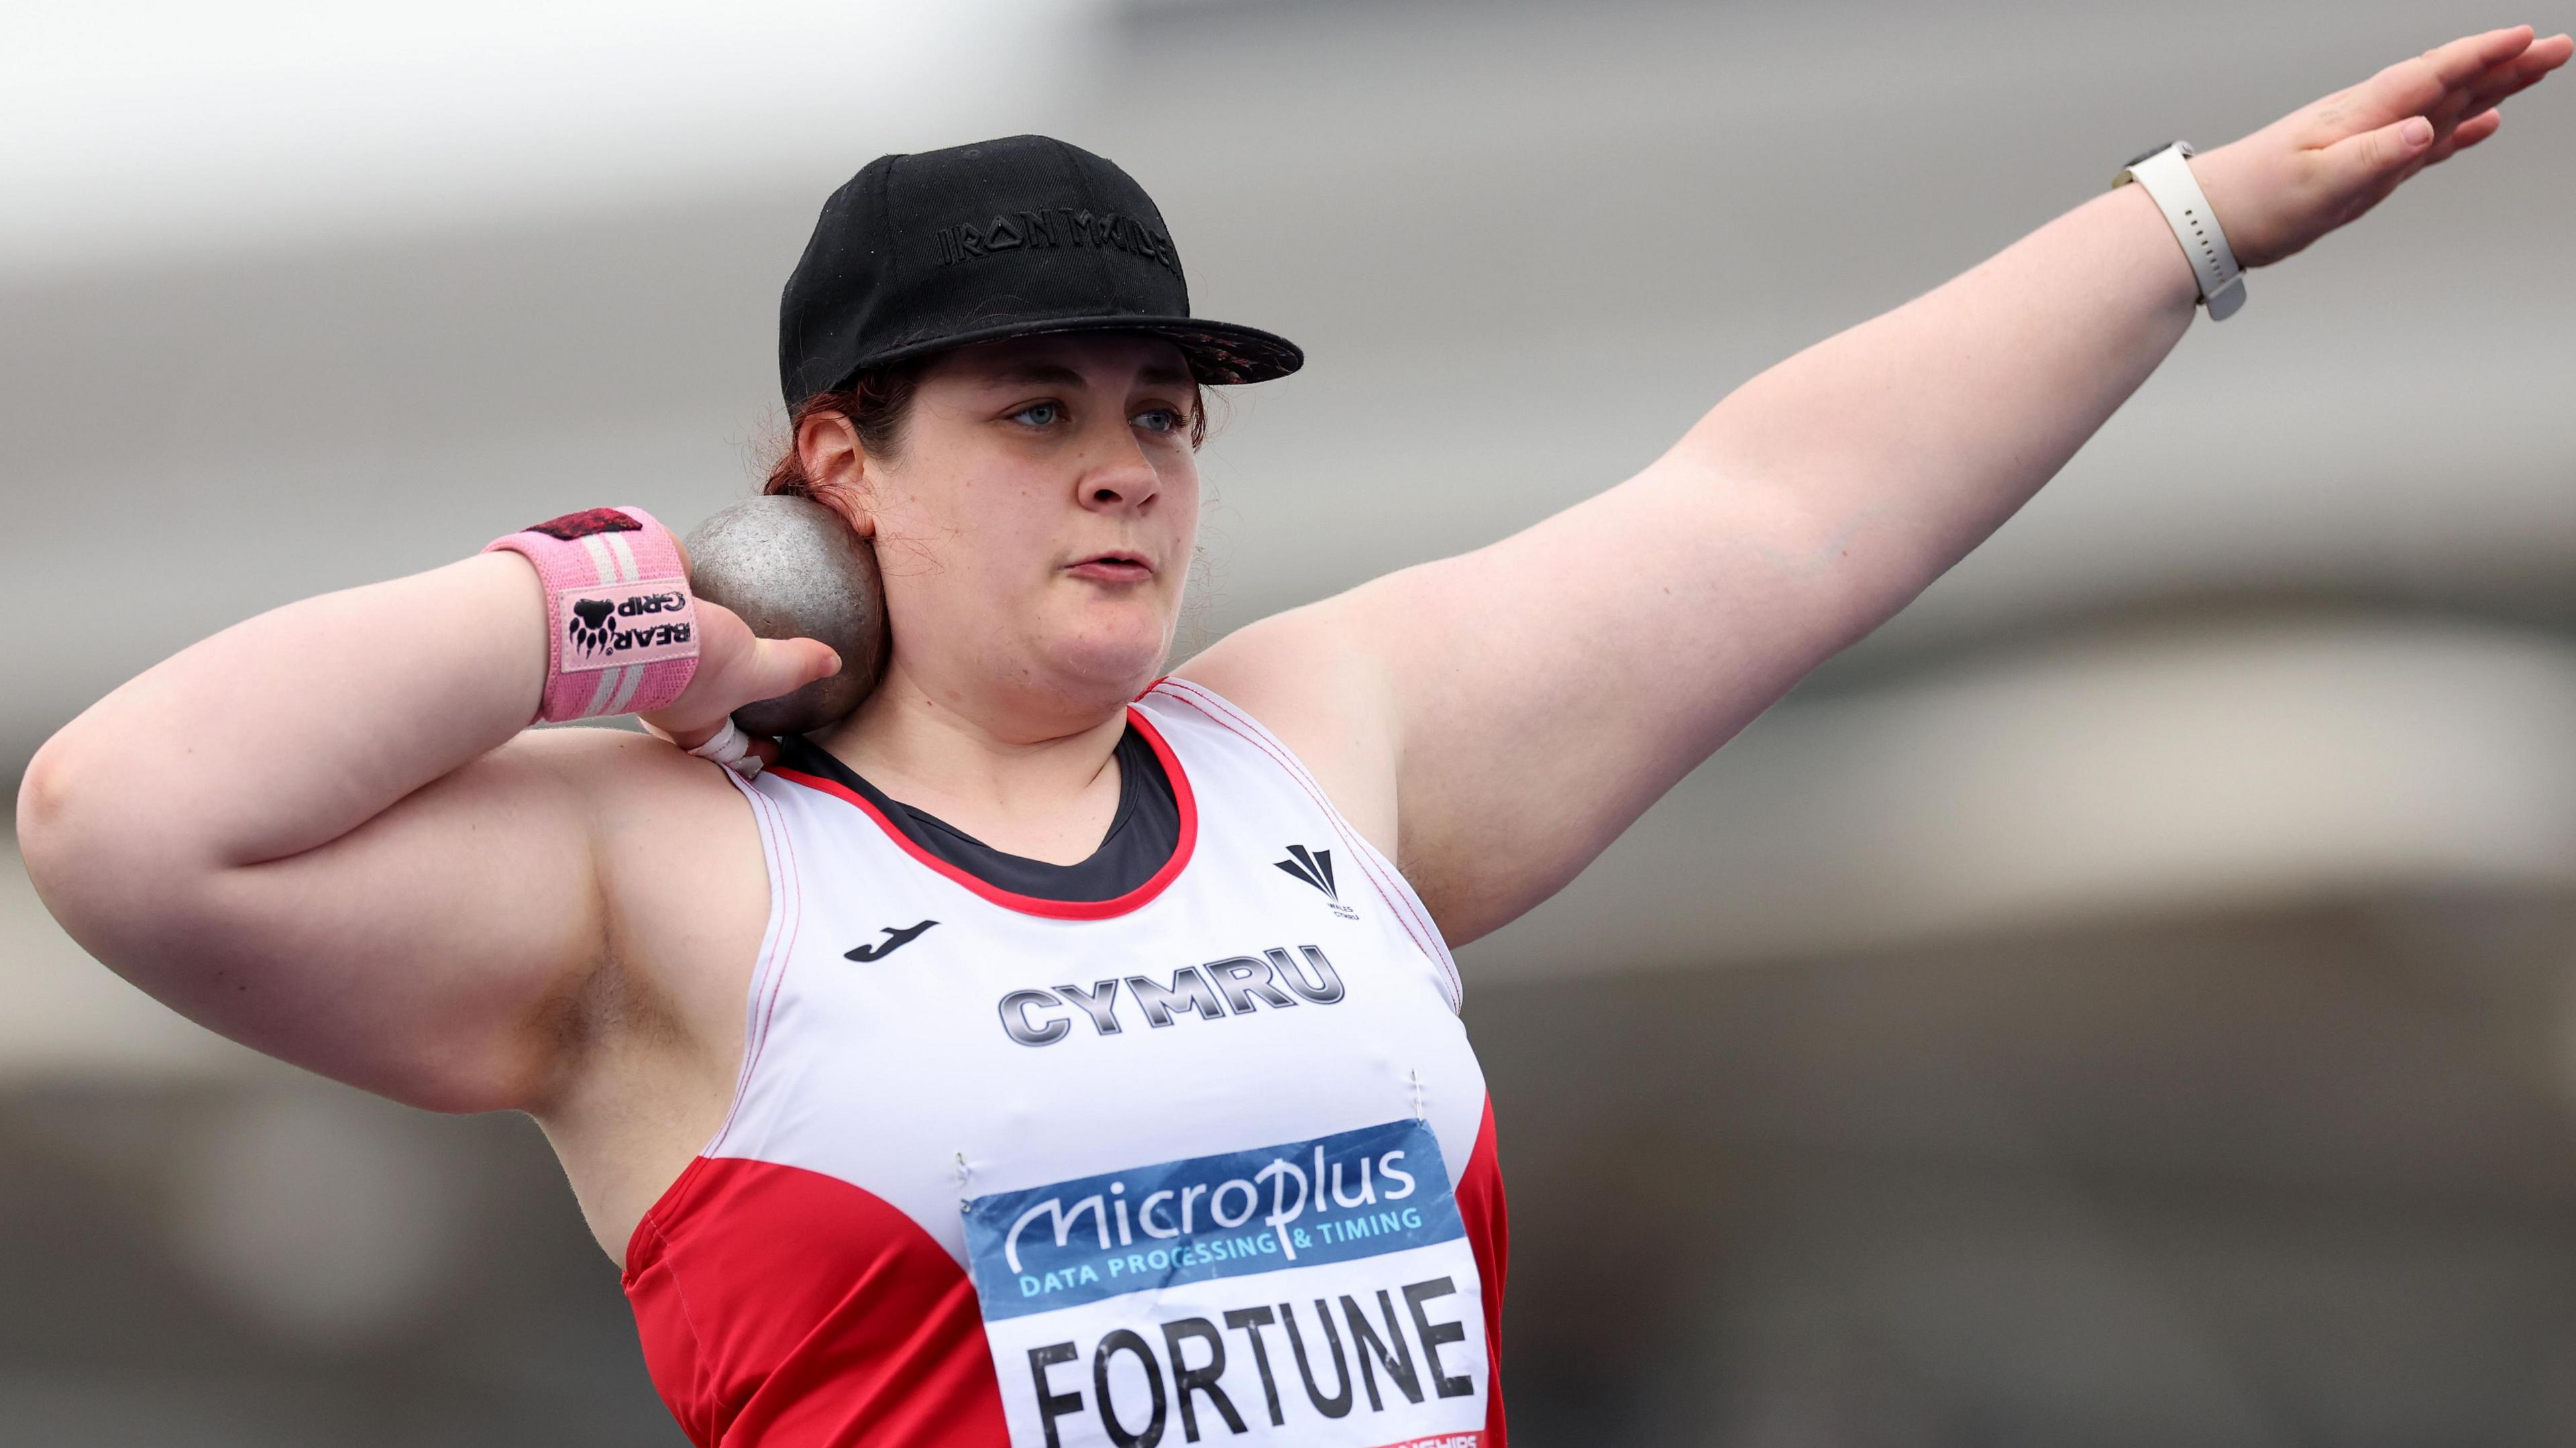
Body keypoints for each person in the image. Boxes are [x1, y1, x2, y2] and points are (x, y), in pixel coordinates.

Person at [16, 25, 2568, 1448]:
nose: (1128, 454)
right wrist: (629, 611)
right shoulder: (666, 883)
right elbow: (126, 818)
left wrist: (2199, 219)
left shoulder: (1319, 753)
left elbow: (1788, 498)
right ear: (840, 473)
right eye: (1034, 409)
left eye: (1167, 406)